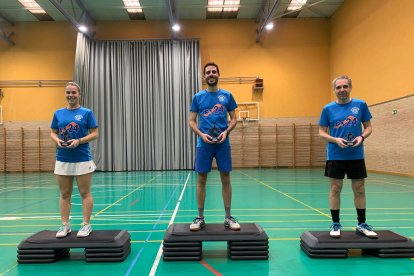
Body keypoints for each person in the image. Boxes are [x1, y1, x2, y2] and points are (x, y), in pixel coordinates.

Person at [319, 75, 377, 238]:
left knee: (359, 189)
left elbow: (369, 127)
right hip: (335, 155)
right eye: (338, 87)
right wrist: (335, 139)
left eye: (345, 86)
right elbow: (321, 132)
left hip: (356, 155)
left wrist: (362, 137)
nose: (342, 90)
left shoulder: (360, 105)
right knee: (335, 189)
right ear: (334, 90)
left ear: (350, 87)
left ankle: (362, 224)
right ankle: (336, 224)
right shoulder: (327, 109)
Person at [189, 62, 240, 231]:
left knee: (225, 177)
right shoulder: (198, 97)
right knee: (201, 178)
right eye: (208, 72)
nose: (211, 74)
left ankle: (228, 217)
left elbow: (234, 119)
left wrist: (227, 132)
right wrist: (201, 135)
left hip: (223, 143)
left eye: (214, 72)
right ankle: (200, 217)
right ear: (204, 76)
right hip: (204, 144)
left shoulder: (227, 95)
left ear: (218, 74)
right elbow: (191, 120)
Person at [50, 82, 99, 238]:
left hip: (82, 158)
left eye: (73, 92)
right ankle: (65, 225)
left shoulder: (86, 113)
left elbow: (95, 133)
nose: (70, 95)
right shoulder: (58, 113)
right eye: (68, 92)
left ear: (79, 94)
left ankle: (86, 224)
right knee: (65, 194)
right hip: (63, 158)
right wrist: (56, 140)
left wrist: (79, 141)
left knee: (85, 193)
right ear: (65, 94)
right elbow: (53, 132)